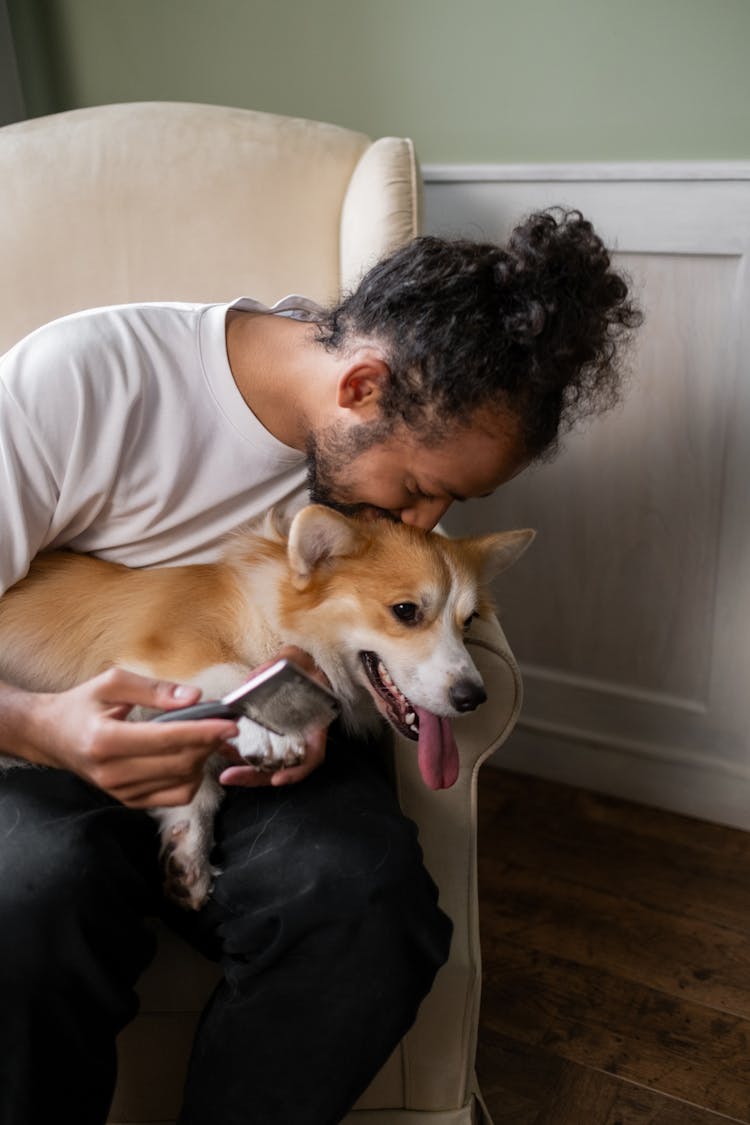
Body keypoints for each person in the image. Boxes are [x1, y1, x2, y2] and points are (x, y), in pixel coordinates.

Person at [0, 208, 640, 1125]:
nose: (424, 524)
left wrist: (311, 711)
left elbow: (395, 610)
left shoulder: (400, 420)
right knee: (25, 899)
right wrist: (39, 726)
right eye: (422, 489)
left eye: (454, 501)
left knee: (370, 909)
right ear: (362, 385)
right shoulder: (86, 380)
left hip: (256, 738)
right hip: (38, 724)